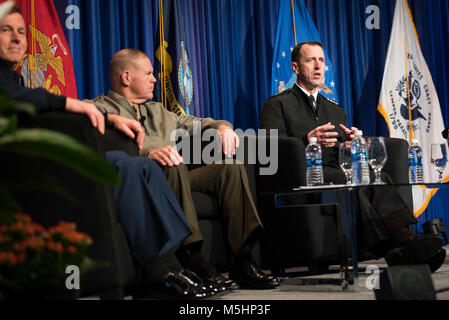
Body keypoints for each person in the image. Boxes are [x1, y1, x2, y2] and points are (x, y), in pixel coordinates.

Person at [0, 6, 216, 299]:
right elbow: (15, 101)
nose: (16, 39)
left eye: (21, 31)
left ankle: (173, 263)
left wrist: (111, 120)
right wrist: (69, 104)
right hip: (24, 173)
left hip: (44, 163)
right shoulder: (11, 85)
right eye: (5, 30)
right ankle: (156, 271)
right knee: (126, 166)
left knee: (144, 167)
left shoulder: (13, 77)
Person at [89, 49, 279, 290]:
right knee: (172, 161)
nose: (154, 79)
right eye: (148, 73)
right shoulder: (97, 109)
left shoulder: (158, 110)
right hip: (142, 182)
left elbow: (201, 123)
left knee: (229, 169)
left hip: (176, 177)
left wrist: (223, 127)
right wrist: (147, 154)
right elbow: (91, 140)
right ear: (126, 77)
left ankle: (243, 259)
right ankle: (193, 258)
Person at [260, 41, 446, 272]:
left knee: (375, 176)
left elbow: (341, 155)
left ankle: (402, 243)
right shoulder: (278, 104)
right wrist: (306, 139)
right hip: (303, 177)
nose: (318, 66)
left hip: (336, 171)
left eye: (321, 60)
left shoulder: (335, 109)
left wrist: (349, 145)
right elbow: (269, 149)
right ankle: (401, 243)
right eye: (310, 61)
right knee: (351, 181)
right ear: (295, 68)